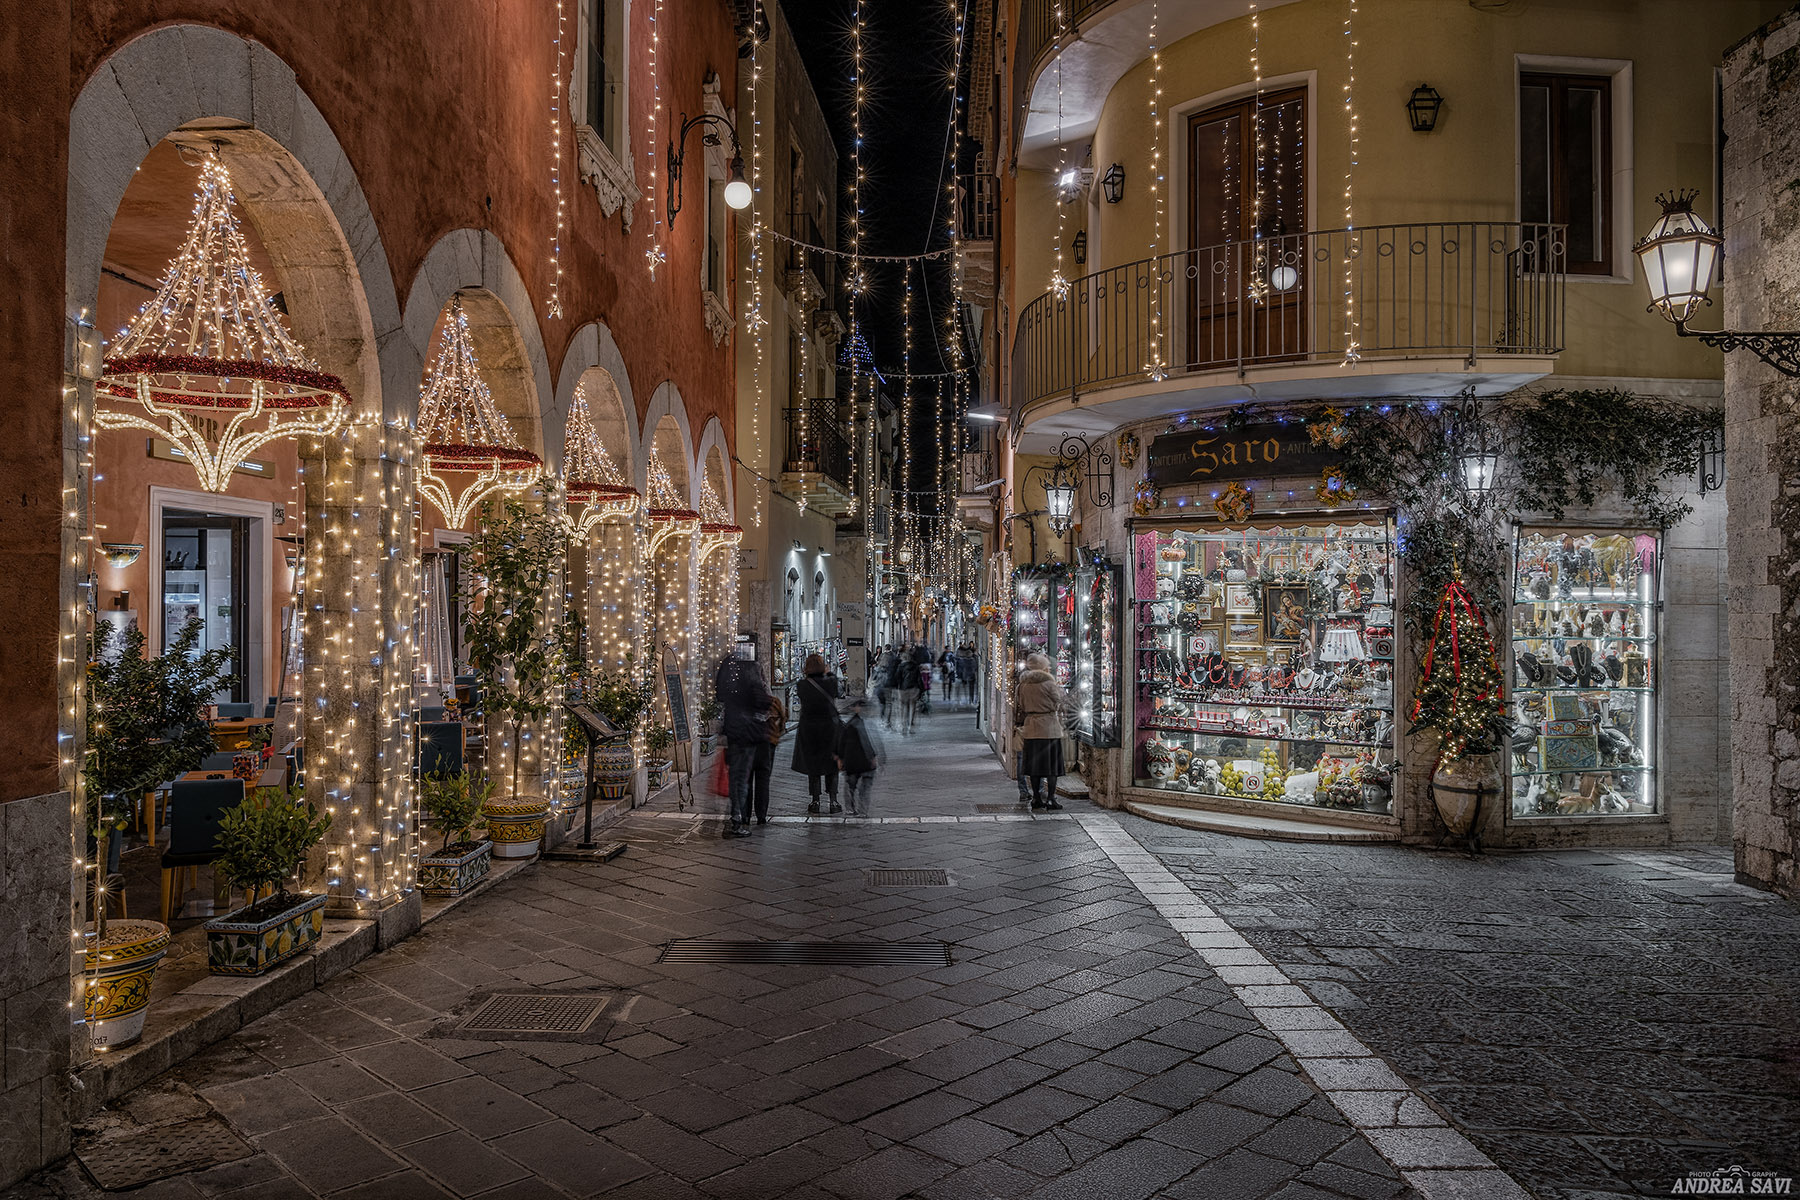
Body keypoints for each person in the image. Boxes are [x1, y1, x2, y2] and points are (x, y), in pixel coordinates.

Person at [715, 651, 773, 837]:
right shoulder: (750, 667)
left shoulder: (728, 664)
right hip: (748, 730)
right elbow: (762, 699)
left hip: (733, 728)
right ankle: (737, 820)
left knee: (736, 776)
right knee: (742, 777)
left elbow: (720, 694)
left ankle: (736, 815)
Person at [1016, 652, 1068, 810]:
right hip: (1049, 728)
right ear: (1042, 667)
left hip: (1031, 728)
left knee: (1034, 768)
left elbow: (1021, 705)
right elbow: (1060, 701)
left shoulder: (1022, 685)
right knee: (1052, 768)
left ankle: (1036, 799)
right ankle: (1051, 798)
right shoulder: (1049, 684)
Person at [791, 652, 842, 813]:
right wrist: (829, 672)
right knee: (831, 765)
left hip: (809, 729)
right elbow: (838, 692)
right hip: (829, 728)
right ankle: (833, 801)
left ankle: (815, 801)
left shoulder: (802, 685)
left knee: (813, 766)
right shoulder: (831, 682)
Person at [836, 696, 886, 816]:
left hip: (857, 762)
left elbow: (841, 744)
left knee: (853, 786)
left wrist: (840, 758)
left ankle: (853, 809)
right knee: (859, 787)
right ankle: (859, 810)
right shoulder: (859, 725)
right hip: (860, 762)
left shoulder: (851, 725)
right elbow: (876, 742)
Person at [749, 691, 786, 825]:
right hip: (768, 742)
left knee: (746, 780)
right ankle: (761, 815)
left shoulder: (744, 699)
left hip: (748, 743)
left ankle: (745, 816)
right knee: (763, 780)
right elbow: (783, 720)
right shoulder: (773, 701)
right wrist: (776, 736)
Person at [893, 649, 922, 735]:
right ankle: (910, 726)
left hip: (903, 689)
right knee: (912, 708)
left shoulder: (901, 666)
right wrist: (921, 689)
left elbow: (897, 678)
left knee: (903, 708)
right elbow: (919, 679)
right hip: (914, 689)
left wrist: (897, 687)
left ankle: (903, 726)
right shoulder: (916, 666)